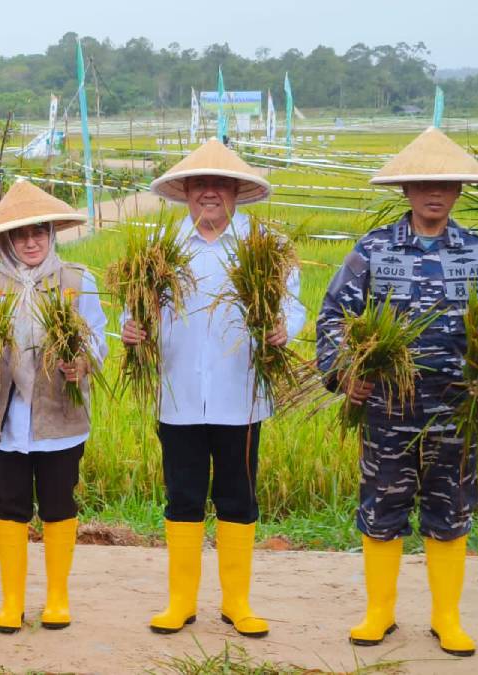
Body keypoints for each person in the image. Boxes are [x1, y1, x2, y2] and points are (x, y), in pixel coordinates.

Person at [316, 127, 478, 657]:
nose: (433, 193)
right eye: (421, 184)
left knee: (451, 508)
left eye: (444, 184)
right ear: (406, 192)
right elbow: (333, 318)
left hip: (458, 408)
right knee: (382, 506)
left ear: (458, 192)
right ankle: (380, 612)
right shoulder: (373, 251)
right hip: (388, 409)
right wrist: (347, 374)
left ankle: (446, 618)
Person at [125, 140, 303, 638]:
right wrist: (133, 329)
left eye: (218, 185)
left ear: (236, 192)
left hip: (239, 394)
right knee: (182, 497)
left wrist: (282, 328)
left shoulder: (263, 246)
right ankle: (180, 602)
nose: (208, 193)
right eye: (199, 185)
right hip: (178, 394)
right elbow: (135, 311)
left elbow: (292, 305)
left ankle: (237, 603)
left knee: (238, 497)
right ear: (184, 192)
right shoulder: (162, 249)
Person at [0, 181, 107, 633]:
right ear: (5, 241)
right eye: (20, 235)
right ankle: (12, 602)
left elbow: (98, 340)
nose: (31, 242)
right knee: (9, 504)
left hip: (60, 418)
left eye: (40, 233)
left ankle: (57, 599)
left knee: (57, 503)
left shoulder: (75, 279)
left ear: (52, 234)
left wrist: (82, 363)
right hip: (5, 418)